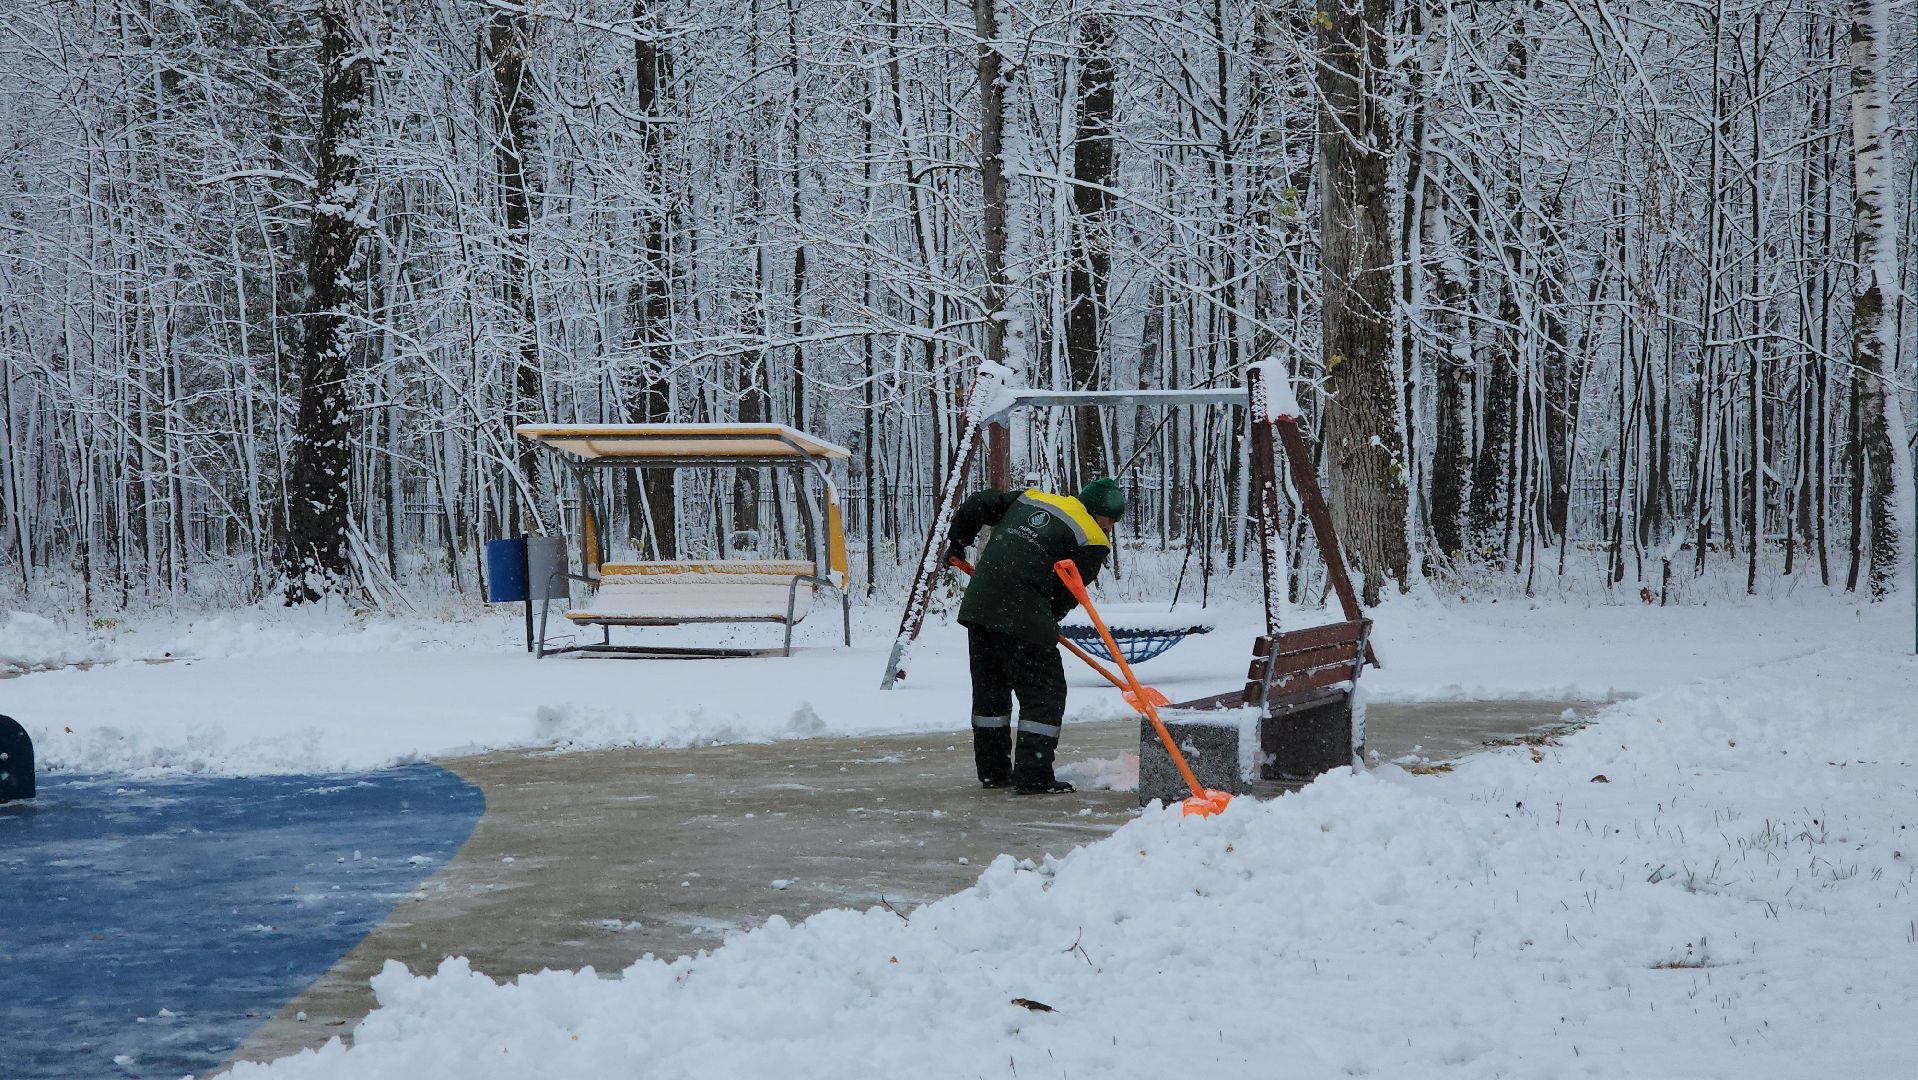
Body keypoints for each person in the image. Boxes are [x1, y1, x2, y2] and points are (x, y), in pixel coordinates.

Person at [944, 477, 1125, 794]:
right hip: (1023, 612)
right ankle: (1034, 776)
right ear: (1101, 516)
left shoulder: (1032, 499)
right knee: (1044, 694)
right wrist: (1044, 619)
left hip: (980, 605)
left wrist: (958, 541)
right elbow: (1067, 592)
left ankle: (994, 772)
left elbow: (978, 503)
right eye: (1110, 522)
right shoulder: (1093, 539)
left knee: (991, 691)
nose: (1109, 528)